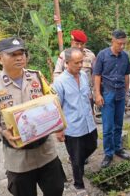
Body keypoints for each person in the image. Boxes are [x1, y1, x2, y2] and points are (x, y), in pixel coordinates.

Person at [0, 37, 65, 196]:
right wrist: (0, 132)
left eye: (22, 53)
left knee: (56, 191)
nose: (19, 57)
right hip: (18, 160)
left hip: (46, 153)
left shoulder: (37, 77)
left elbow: (54, 100)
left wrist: (56, 120)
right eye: (13, 54)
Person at [53, 47, 97, 196]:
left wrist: (91, 112)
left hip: (88, 123)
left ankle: (75, 161)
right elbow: (56, 107)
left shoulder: (84, 75)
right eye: (76, 63)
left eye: (81, 62)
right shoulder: (59, 82)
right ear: (67, 63)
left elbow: (87, 97)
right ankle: (79, 185)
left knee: (93, 145)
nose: (80, 65)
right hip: (72, 127)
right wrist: (59, 129)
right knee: (77, 159)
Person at [93, 30, 130, 168]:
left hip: (120, 94)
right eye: (119, 44)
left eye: (124, 44)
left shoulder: (125, 57)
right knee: (108, 126)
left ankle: (118, 149)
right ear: (112, 41)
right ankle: (108, 153)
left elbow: (127, 75)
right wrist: (97, 94)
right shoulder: (102, 55)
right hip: (107, 94)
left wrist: (127, 93)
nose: (121, 47)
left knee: (118, 124)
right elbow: (97, 76)